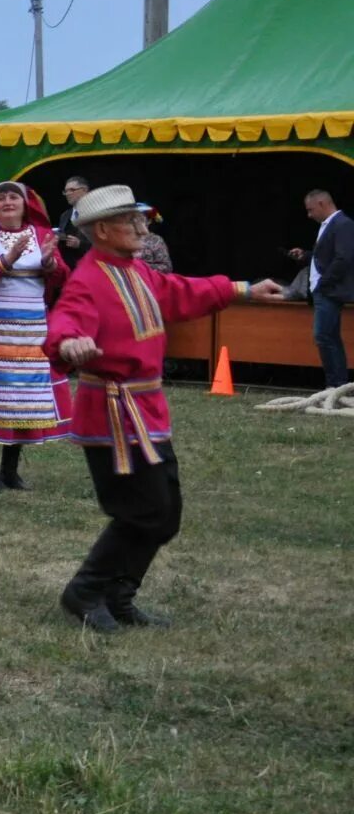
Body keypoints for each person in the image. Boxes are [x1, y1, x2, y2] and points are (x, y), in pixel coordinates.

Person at [45, 184, 285, 631]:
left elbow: (179, 291)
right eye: (132, 220)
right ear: (102, 230)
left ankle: (118, 597)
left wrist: (243, 289)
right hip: (113, 416)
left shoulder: (136, 271)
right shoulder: (88, 278)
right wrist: (69, 341)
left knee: (165, 514)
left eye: (142, 218)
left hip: (148, 410)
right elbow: (66, 318)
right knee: (143, 512)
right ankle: (84, 592)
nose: (142, 227)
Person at [0, 181, 71, 491]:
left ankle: (10, 468)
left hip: (29, 325)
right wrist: (7, 259)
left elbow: (64, 276)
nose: (8, 202)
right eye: (1, 198)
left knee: (23, 394)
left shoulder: (42, 236)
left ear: (25, 205)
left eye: (14, 197)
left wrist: (49, 262)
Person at [287, 189, 352, 390]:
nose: (309, 215)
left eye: (311, 209)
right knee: (329, 337)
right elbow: (324, 257)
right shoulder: (328, 225)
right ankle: (337, 385)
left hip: (329, 291)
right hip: (323, 291)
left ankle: (335, 385)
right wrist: (306, 256)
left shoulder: (343, 224)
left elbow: (344, 258)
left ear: (323, 203)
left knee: (323, 336)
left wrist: (324, 283)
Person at [55, 176, 92, 268]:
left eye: (71, 190)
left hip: (89, 267)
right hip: (68, 269)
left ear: (84, 190)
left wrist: (80, 244)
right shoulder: (65, 215)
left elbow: (105, 244)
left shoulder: (96, 213)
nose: (68, 194)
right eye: (66, 191)